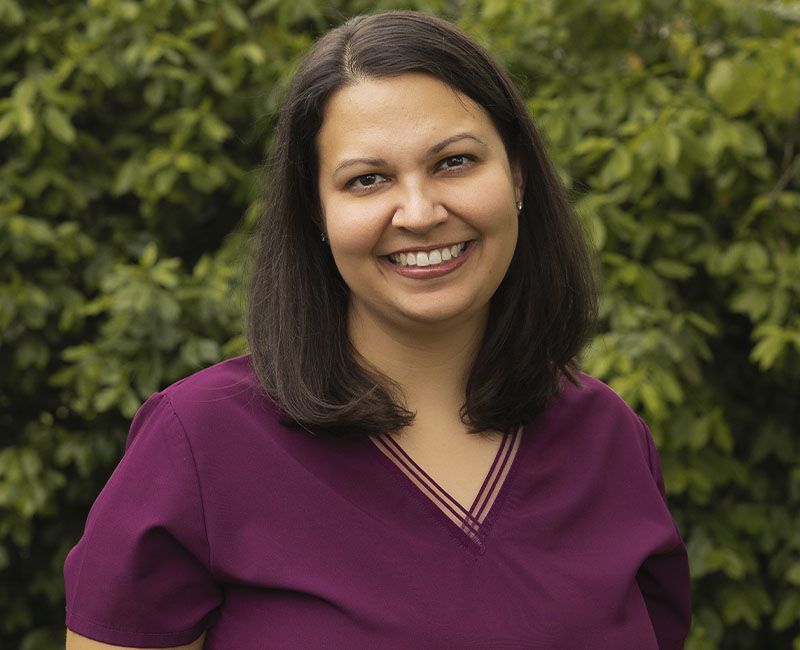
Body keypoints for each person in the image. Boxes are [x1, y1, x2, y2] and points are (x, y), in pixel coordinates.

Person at [64, 10, 691, 649]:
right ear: (317, 210)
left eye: (454, 162)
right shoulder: (198, 443)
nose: (419, 213)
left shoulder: (608, 438)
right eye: (368, 180)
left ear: (518, 175)